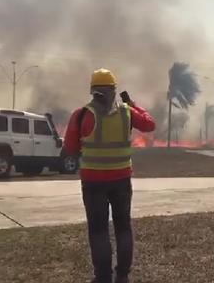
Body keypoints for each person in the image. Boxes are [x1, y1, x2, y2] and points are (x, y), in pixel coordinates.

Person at [64, 68, 156, 283]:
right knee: (123, 227)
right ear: (114, 90)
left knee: (98, 230)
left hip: (93, 182)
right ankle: (122, 276)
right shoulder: (127, 112)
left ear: (92, 90)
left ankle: (102, 277)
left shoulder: (81, 115)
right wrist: (132, 104)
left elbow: (69, 147)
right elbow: (149, 124)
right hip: (121, 181)